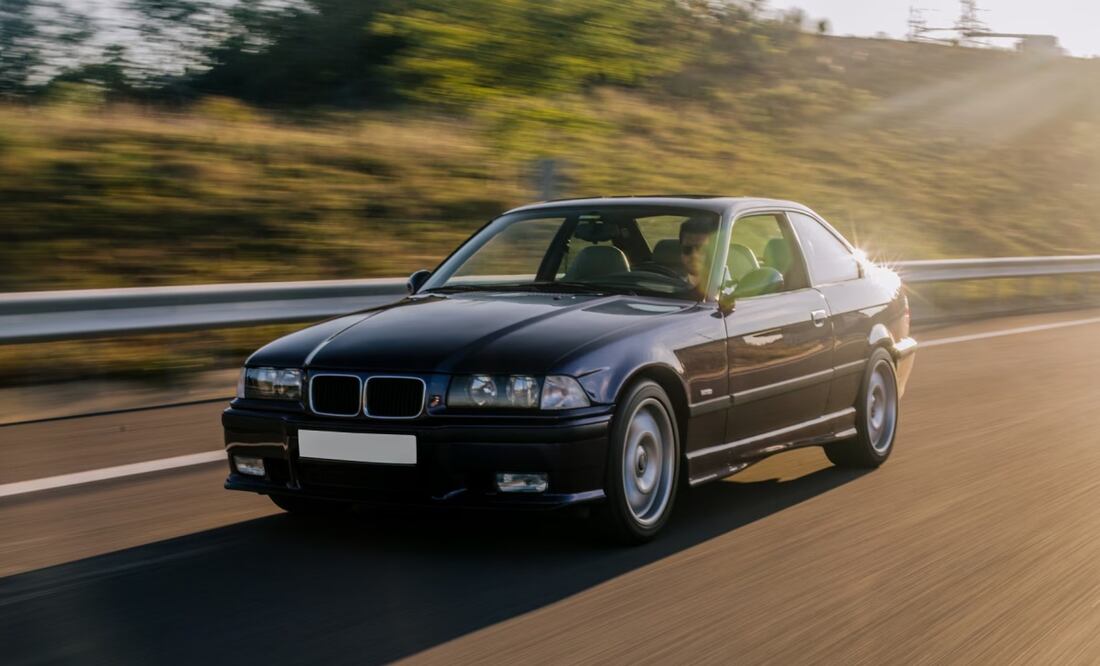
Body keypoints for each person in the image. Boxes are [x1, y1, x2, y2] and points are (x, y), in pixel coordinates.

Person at [678, 216, 718, 290]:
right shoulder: (668, 283)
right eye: (687, 249)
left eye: (701, 248)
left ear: (715, 250)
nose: (694, 255)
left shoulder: (730, 290)